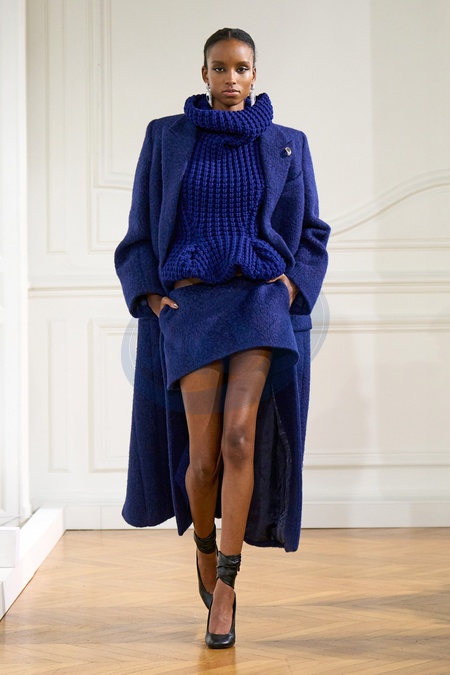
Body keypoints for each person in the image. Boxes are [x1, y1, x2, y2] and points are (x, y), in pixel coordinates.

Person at [115, 27, 330, 649]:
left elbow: (312, 231)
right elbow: (139, 226)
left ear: (255, 74)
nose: (230, 78)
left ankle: (228, 587)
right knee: (203, 456)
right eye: (219, 67)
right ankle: (204, 550)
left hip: (259, 301)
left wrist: (291, 286)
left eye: (241, 68)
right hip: (193, 305)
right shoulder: (166, 137)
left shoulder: (288, 143)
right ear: (204, 73)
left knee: (240, 438)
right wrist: (150, 295)